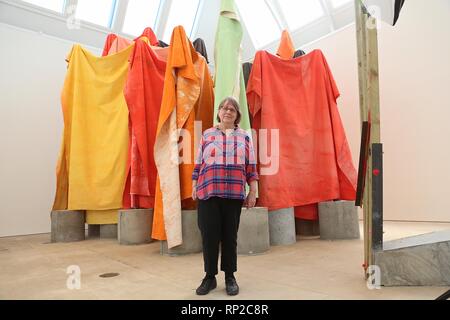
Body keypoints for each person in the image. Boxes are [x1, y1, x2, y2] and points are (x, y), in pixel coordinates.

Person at [192, 97, 258, 296]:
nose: (228, 111)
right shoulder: (207, 135)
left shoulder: (244, 137)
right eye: (224, 108)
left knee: (230, 237)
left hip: (233, 194)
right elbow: (198, 164)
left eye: (232, 109)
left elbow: (251, 167)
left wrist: (252, 192)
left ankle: (230, 276)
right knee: (209, 237)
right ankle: (209, 277)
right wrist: (195, 185)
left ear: (237, 115)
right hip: (208, 192)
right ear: (219, 112)